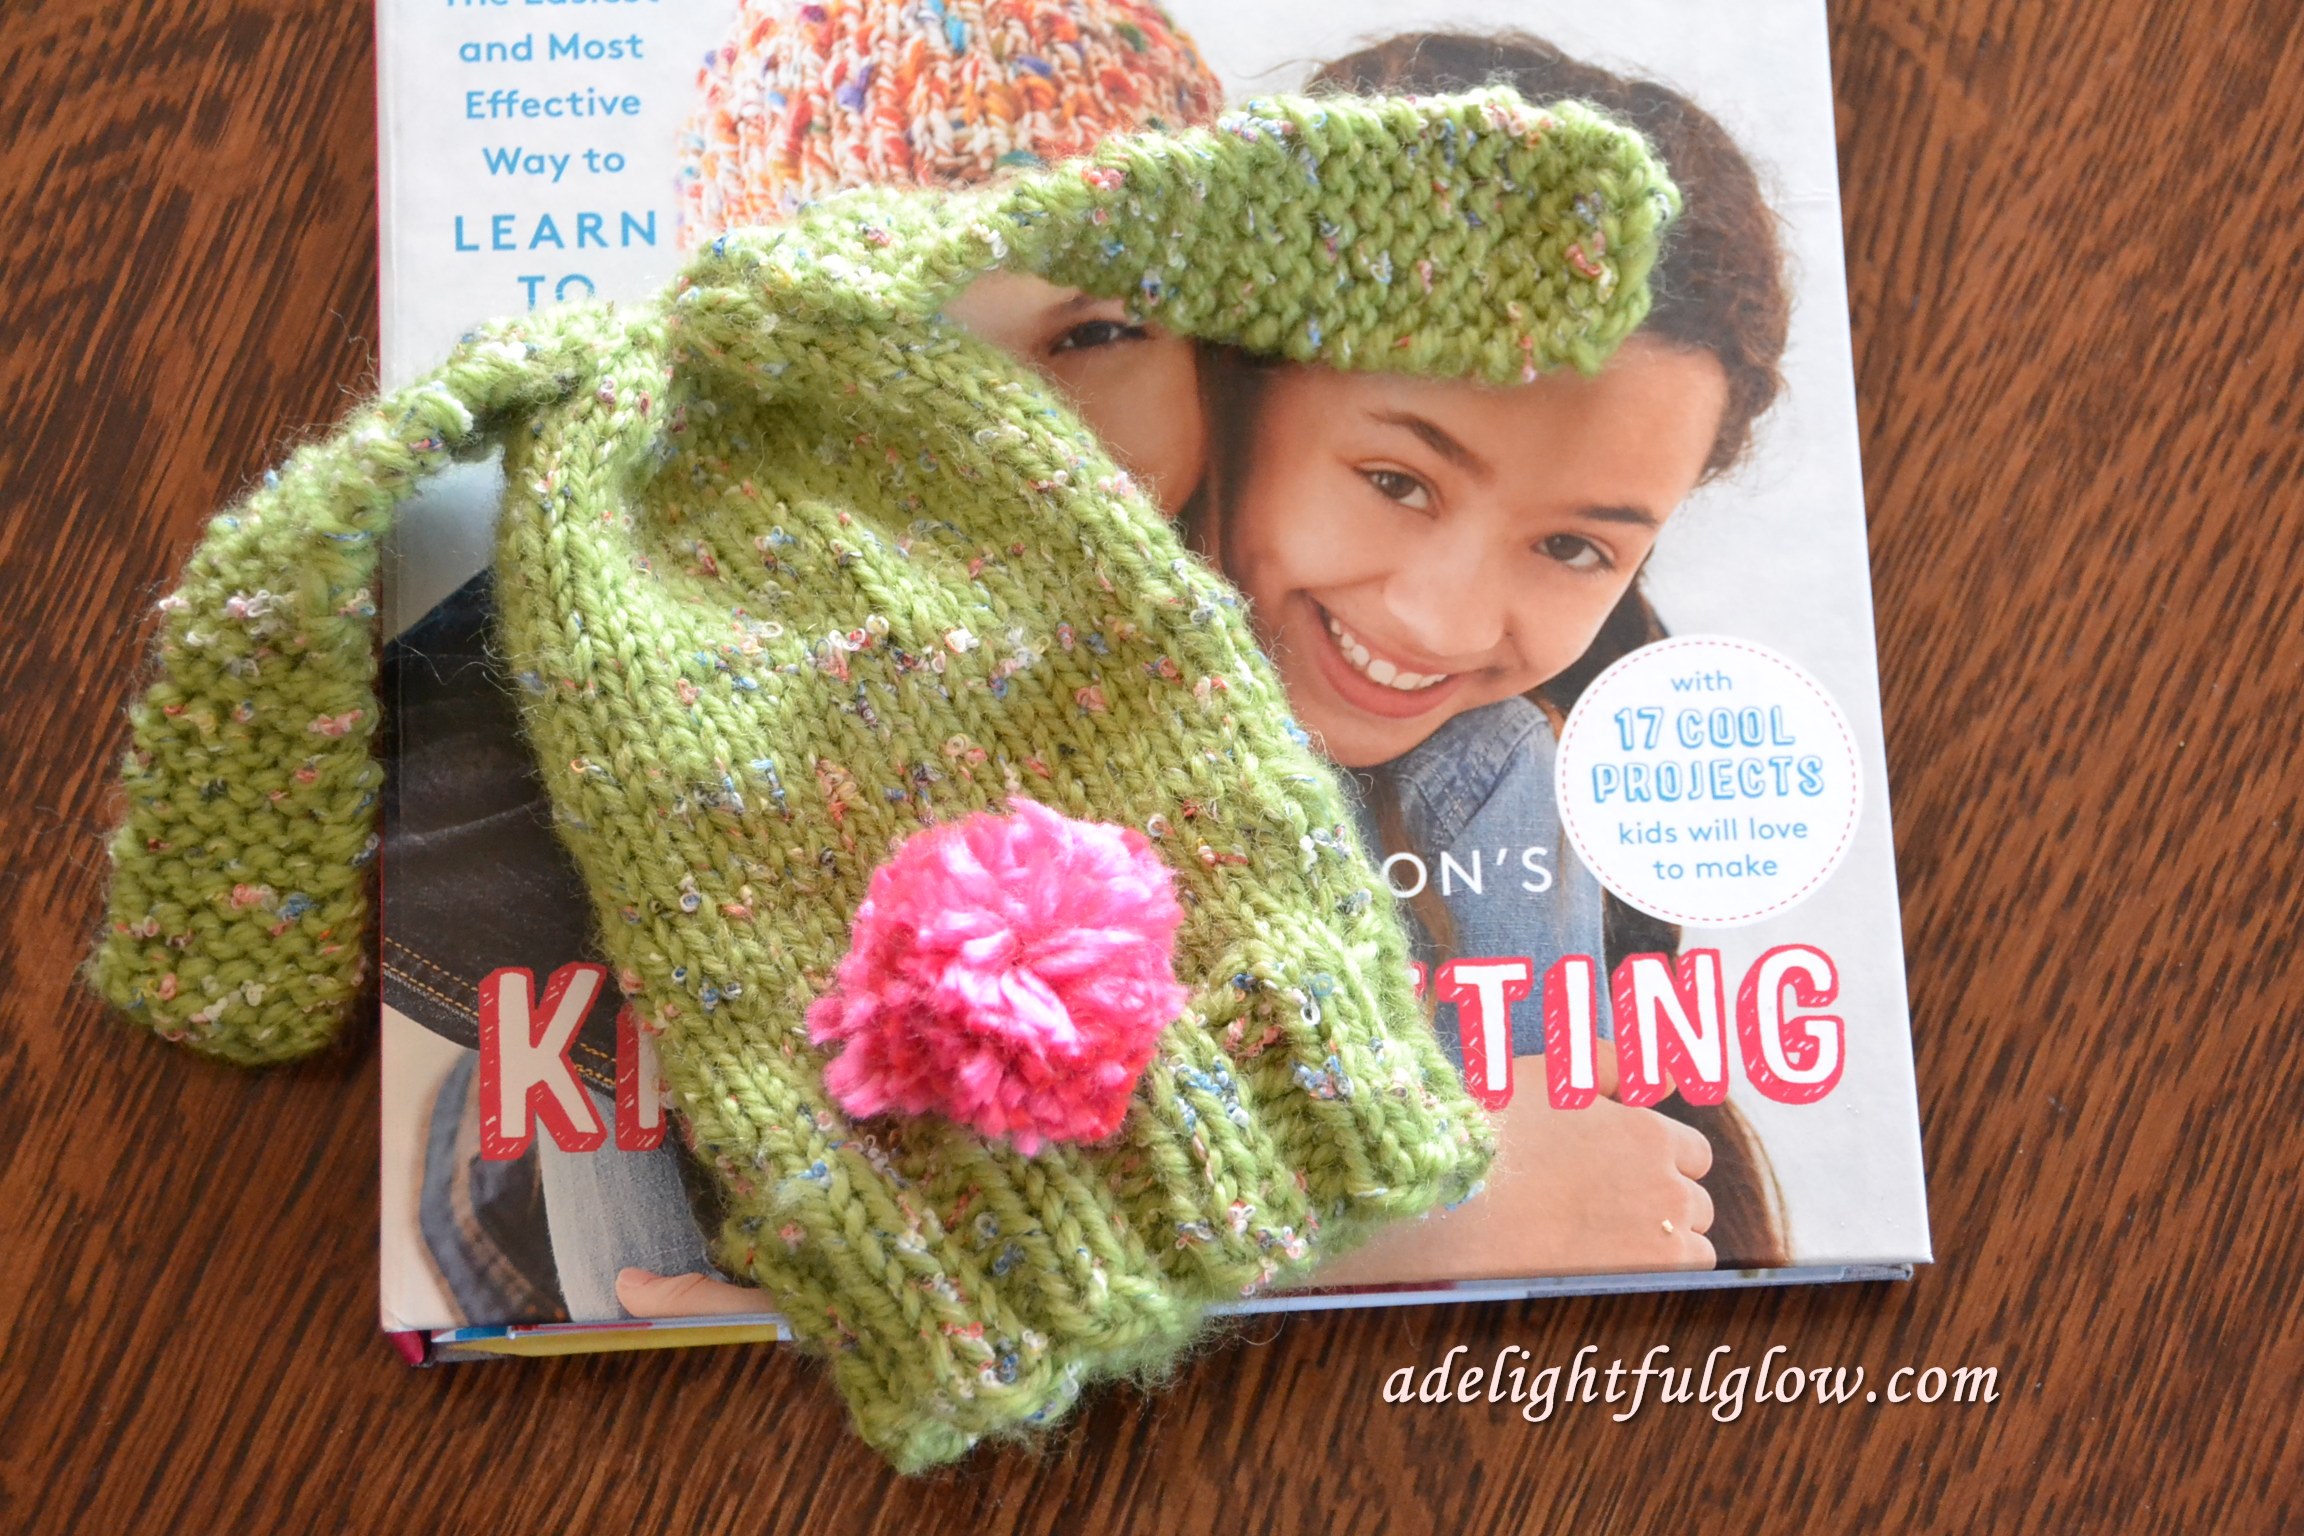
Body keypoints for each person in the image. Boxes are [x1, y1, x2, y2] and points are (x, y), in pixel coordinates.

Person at [389, 0, 1228, 1326]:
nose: (1007, 430)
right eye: (901, 353)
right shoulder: (691, 688)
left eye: (1093, 334)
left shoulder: (1323, 608)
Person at [1189, 30, 1796, 1280]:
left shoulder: (1498, 786)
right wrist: (1387, 1230)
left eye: (1572, 547)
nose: (1442, 622)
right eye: (1398, 480)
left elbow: (1557, 1236)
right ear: (1240, 383)